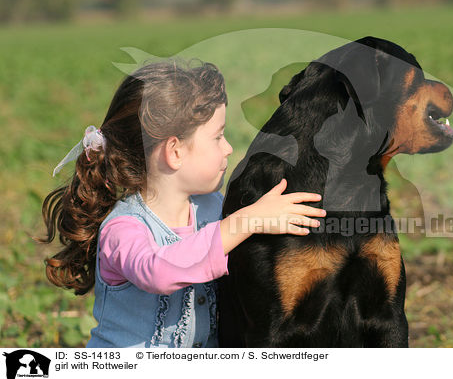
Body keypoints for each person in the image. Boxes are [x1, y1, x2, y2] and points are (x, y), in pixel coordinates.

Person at [39, 60, 326, 348]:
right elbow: (157, 272)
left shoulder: (212, 208)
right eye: (217, 137)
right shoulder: (123, 228)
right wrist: (246, 221)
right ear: (174, 151)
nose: (228, 148)